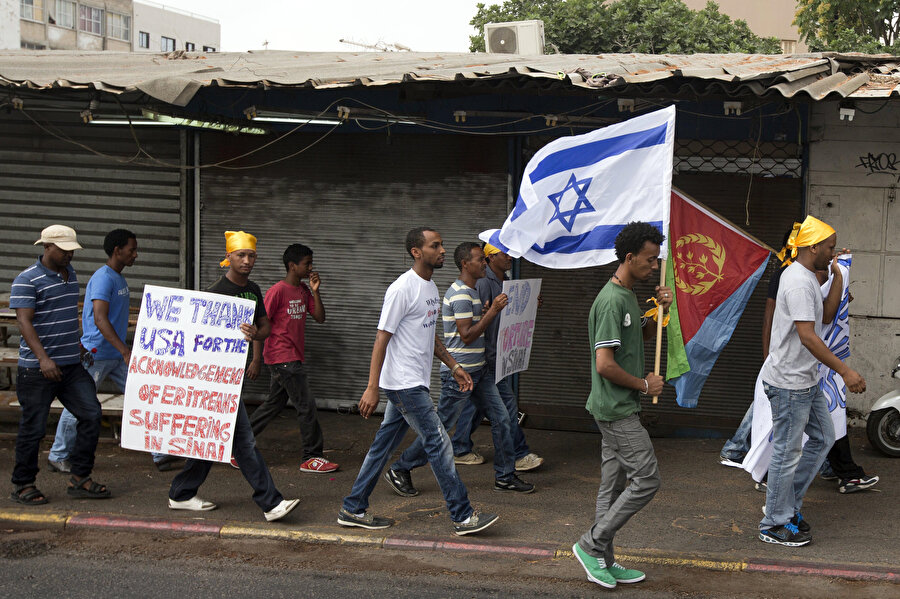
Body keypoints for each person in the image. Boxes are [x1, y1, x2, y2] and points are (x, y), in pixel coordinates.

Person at [339, 228, 499, 536]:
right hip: (403, 384)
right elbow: (381, 339)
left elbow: (428, 335)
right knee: (439, 443)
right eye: (434, 246)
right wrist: (372, 386)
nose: (442, 250)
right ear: (416, 252)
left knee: (381, 448)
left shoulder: (429, 287)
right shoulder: (402, 289)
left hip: (414, 382)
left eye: (441, 244)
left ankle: (353, 507)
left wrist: (453, 365)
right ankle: (463, 515)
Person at [167, 230, 299, 522]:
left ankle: (181, 493)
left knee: (212, 436)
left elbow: (265, 327)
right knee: (243, 441)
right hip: (215, 379)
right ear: (228, 257)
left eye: (251, 255)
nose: (247, 260)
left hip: (234, 376)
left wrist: (255, 334)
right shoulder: (214, 293)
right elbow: (196, 339)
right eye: (241, 255)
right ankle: (270, 502)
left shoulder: (252, 290)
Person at [384, 242, 534, 496]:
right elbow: (466, 336)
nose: (484, 264)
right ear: (465, 264)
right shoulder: (461, 293)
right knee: (439, 428)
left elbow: (474, 329)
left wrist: (490, 312)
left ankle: (505, 476)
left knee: (503, 419)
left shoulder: (472, 291)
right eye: (479, 260)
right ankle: (401, 468)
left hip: (479, 372)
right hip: (460, 375)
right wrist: (492, 311)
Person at [572, 222, 672, 589]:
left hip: (616, 406)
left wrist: (659, 312)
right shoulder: (612, 300)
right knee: (647, 479)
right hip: (616, 410)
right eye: (649, 260)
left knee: (612, 488)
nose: (654, 266)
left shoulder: (628, 294)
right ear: (630, 258)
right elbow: (605, 364)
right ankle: (590, 545)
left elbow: (641, 335)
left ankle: (603, 560)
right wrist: (645, 385)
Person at [757, 215, 865, 547]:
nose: (833, 253)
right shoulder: (798, 281)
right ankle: (773, 522)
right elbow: (808, 337)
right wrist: (845, 372)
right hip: (790, 384)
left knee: (823, 438)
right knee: (786, 454)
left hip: (805, 380)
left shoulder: (808, 277)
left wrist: (835, 276)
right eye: (830, 249)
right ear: (812, 246)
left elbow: (827, 316)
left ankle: (786, 507)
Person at [45, 230, 181, 474]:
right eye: (132, 249)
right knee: (77, 407)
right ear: (117, 250)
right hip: (96, 355)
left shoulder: (117, 278)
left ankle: (160, 454)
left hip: (115, 356)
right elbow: (99, 318)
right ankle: (58, 455)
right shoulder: (104, 278)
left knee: (145, 396)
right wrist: (125, 350)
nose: (136, 254)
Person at [10, 224, 111, 504]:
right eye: (64, 250)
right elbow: (24, 322)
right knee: (34, 427)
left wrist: (77, 344)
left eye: (72, 250)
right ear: (46, 247)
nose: (69, 255)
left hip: (71, 365)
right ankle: (22, 484)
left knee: (91, 415)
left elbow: (64, 316)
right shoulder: (26, 280)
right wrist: (43, 359)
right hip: (37, 369)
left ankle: (80, 477)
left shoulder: (70, 274)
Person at [450, 243, 544, 472]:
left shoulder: (507, 282)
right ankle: (518, 454)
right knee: (506, 405)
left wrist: (529, 306)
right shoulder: (483, 283)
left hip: (496, 354)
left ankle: (459, 448)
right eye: (504, 253)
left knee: (478, 406)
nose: (510, 256)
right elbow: (475, 323)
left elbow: (507, 316)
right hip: (486, 355)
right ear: (490, 259)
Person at [249, 243, 338, 474]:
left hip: (291, 357)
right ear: (292, 266)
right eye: (307, 263)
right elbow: (261, 324)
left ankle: (238, 445)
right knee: (306, 405)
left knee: (273, 404)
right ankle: (312, 456)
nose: (311, 268)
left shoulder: (303, 291)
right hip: (281, 356)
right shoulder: (277, 291)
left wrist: (315, 290)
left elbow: (319, 317)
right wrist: (257, 359)